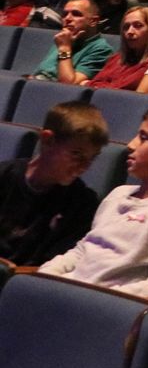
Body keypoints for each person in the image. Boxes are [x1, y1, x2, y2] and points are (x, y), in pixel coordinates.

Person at [39, 105, 148, 300]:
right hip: (66, 294)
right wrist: (44, 275)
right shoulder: (118, 194)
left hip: (102, 306)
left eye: (144, 138)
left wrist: (109, 296)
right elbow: (84, 250)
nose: (131, 145)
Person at [0, 101, 109, 265]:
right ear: (47, 140)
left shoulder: (82, 204)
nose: (84, 166)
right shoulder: (4, 176)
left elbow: (53, 268)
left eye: (92, 158)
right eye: (76, 154)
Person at [33, 0, 113, 84]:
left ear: (93, 21)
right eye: (65, 14)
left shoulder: (101, 50)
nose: (67, 18)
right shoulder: (65, 38)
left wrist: (64, 48)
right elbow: (42, 72)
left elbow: (68, 84)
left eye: (76, 14)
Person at [87, 6, 148, 90]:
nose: (129, 32)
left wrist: (91, 84)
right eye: (126, 27)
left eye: (138, 26)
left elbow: (119, 90)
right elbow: (93, 83)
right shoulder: (117, 58)